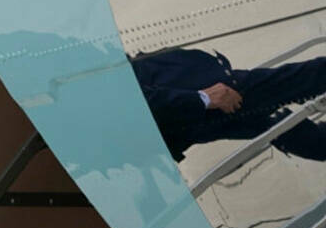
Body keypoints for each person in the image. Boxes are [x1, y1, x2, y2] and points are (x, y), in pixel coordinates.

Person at [131, 47, 326, 162]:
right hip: (185, 103)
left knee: (277, 116)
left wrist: (200, 99)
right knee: (294, 84)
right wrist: (201, 99)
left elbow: (124, 103)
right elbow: (123, 106)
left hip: (186, 99)